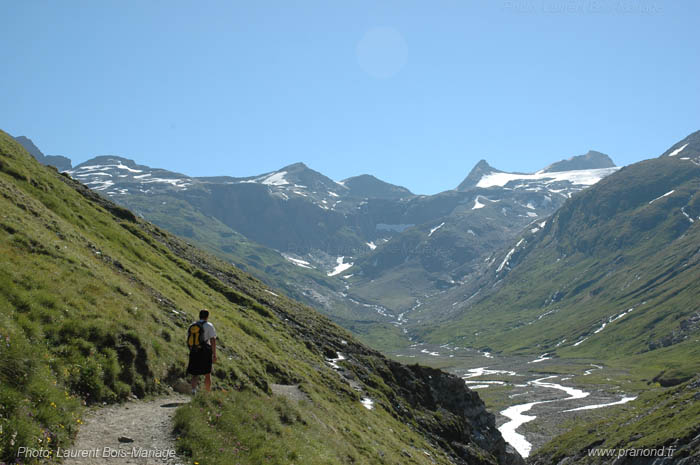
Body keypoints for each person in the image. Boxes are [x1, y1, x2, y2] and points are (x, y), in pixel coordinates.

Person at [187, 309, 217, 393]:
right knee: (207, 373)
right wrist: (214, 354)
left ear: (199, 316)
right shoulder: (209, 325)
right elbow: (213, 340)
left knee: (195, 373)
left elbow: (189, 340)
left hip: (194, 350)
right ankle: (207, 393)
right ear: (207, 316)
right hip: (205, 351)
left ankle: (193, 390)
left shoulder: (192, 325)